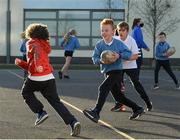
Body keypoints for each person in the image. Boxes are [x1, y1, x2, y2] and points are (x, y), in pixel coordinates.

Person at [15, 23, 81, 136]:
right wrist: (22, 64)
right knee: (56, 102)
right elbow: (33, 63)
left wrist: (37, 65)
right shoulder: (44, 44)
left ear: (31, 33)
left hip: (36, 77)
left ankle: (40, 112)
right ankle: (73, 122)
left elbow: (36, 54)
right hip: (49, 78)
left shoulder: (31, 43)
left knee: (26, 92)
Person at [83, 19, 145, 123]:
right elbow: (94, 58)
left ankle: (96, 112)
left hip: (117, 71)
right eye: (102, 30)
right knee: (119, 97)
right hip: (107, 72)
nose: (104, 33)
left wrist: (119, 55)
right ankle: (137, 109)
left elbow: (128, 53)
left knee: (103, 88)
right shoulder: (99, 45)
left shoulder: (118, 44)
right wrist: (101, 61)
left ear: (113, 31)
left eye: (106, 30)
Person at [111, 21, 152, 112]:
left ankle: (148, 102)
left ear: (127, 31)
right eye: (119, 30)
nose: (121, 32)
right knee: (117, 85)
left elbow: (136, 56)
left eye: (123, 30)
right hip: (120, 66)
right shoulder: (115, 39)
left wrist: (123, 57)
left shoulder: (132, 41)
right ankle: (119, 104)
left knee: (136, 85)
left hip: (131, 66)